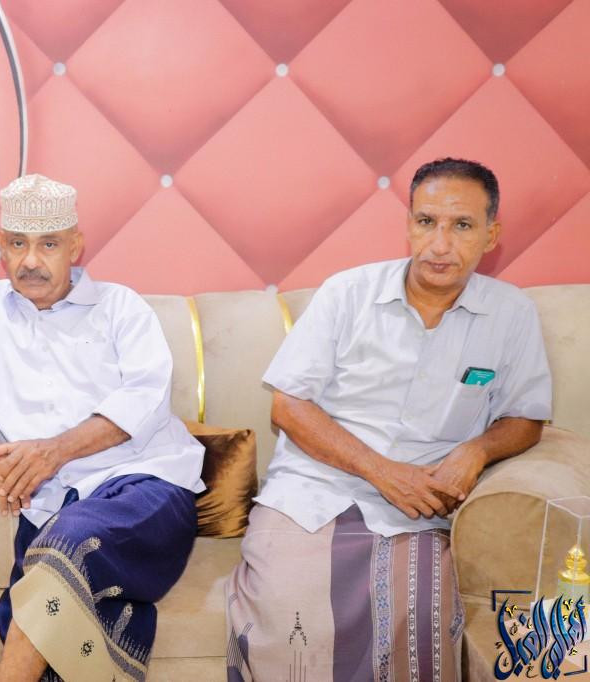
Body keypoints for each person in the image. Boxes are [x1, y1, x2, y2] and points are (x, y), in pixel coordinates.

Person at [225, 158, 552, 681]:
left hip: (423, 504)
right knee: (290, 621)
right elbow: (288, 406)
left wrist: (477, 450)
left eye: (462, 225)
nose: (440, 244)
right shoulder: (347, 293)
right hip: (315, 488)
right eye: (426, 221)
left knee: (420, 620)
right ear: (408, 225)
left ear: (491, 235)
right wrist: (382, 472)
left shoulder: (511, 313)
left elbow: (526, 417)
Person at [0, 174, 205, 682]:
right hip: (47, 499)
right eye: (17, 244)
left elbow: (144, 399)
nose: (30, 261)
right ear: (1, 246)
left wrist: (54, 451)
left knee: (65, 551)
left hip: (144, 483)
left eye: (48, 244)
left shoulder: (121, 307)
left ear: (75, 246)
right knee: (41, 587)